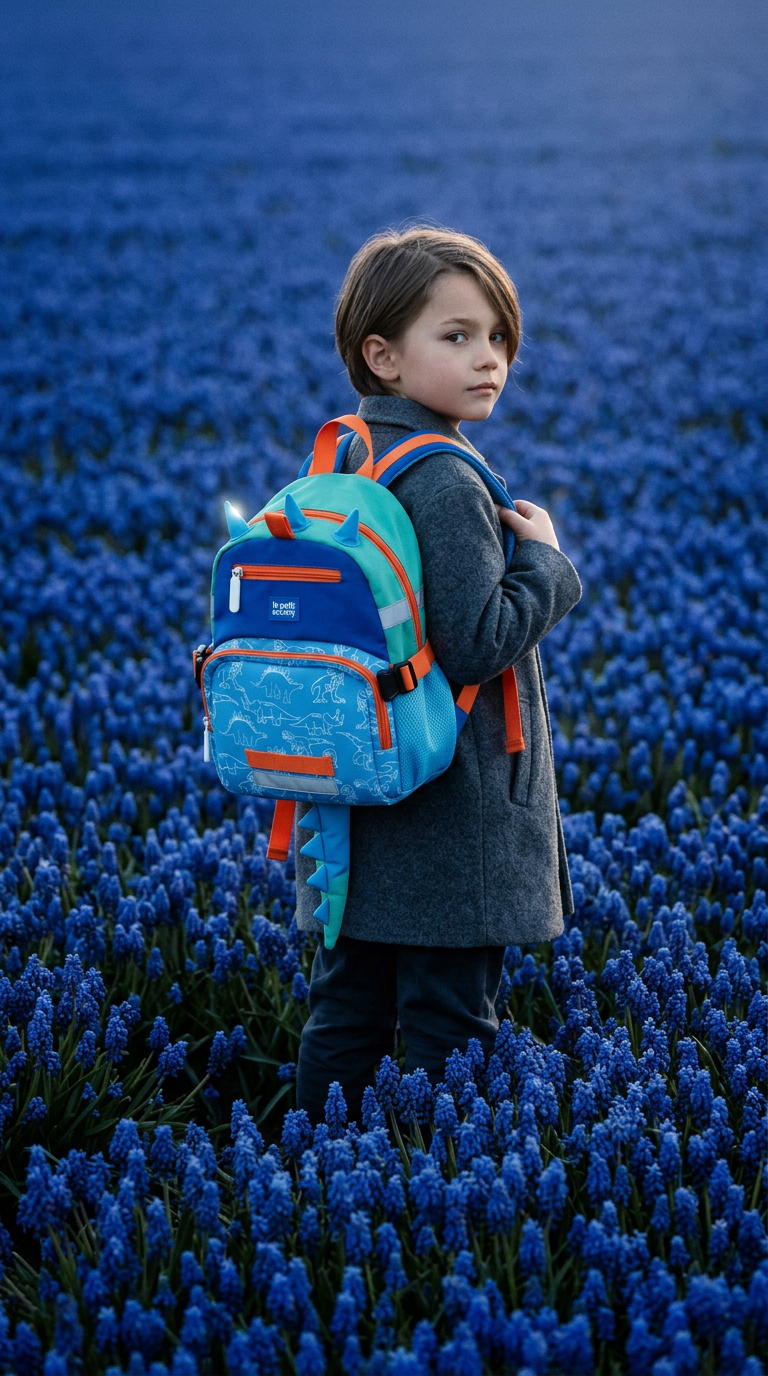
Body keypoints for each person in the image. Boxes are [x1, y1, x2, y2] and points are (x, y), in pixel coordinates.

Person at [294, 225, 582, 1125]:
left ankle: (317, 1181)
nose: (488, 359)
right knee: (451, 1022)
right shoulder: (449, 479)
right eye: (455, 337)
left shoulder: (345, 457)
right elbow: (477, 640)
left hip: (354, 792)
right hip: (448, 808)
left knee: (344, 1011)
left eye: (498, 336)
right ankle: (438, 1195)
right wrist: (545, 564)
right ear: (381, 355)